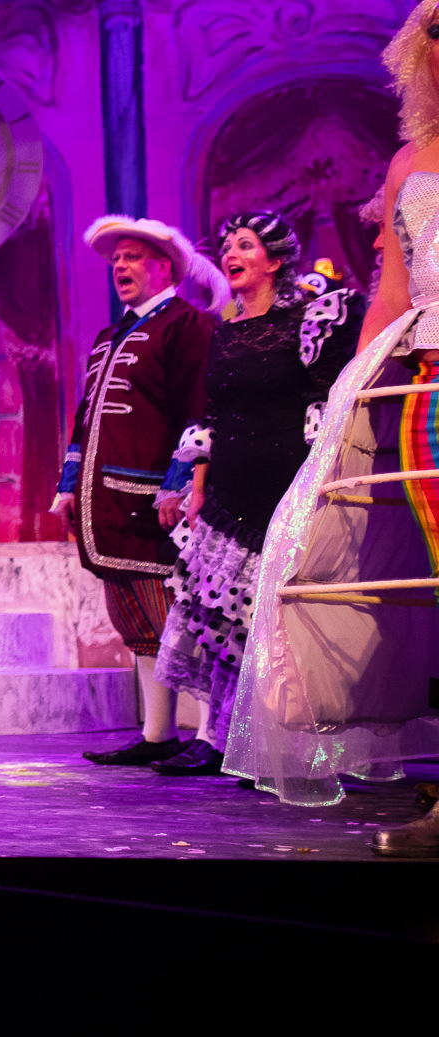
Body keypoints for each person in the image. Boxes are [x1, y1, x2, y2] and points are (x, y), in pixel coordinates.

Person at [226, 0, 439, 833]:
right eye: (434, 34)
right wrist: (353, 384)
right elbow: (392, 292)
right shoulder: (408, 161)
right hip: (425, 386)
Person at [144, 212, 363, 776]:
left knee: (280, 626)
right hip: (230, 489)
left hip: (286, 486)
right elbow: (213, 413)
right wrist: (195, 487)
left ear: (276, 260)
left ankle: (281, 748)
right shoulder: (226, 331)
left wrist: (321, 485)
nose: (230, 254)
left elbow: (329, 404)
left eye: (245, 245)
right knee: (221, 624)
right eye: (227, 246)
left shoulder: (309, 321)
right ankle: (218, 740)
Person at [52, 215, 219, 767]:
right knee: (141, 626)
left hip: (154, 504)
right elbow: (86, 420)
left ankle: (211, 736)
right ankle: (158, 734)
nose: (119, 267)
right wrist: (69, 487)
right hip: (108, 503)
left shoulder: (186, 325)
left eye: (132, 258)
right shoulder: (109, 337)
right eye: (116, 260)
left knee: (182, 621)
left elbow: (198, 409)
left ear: (164, 268)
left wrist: (179, 485)